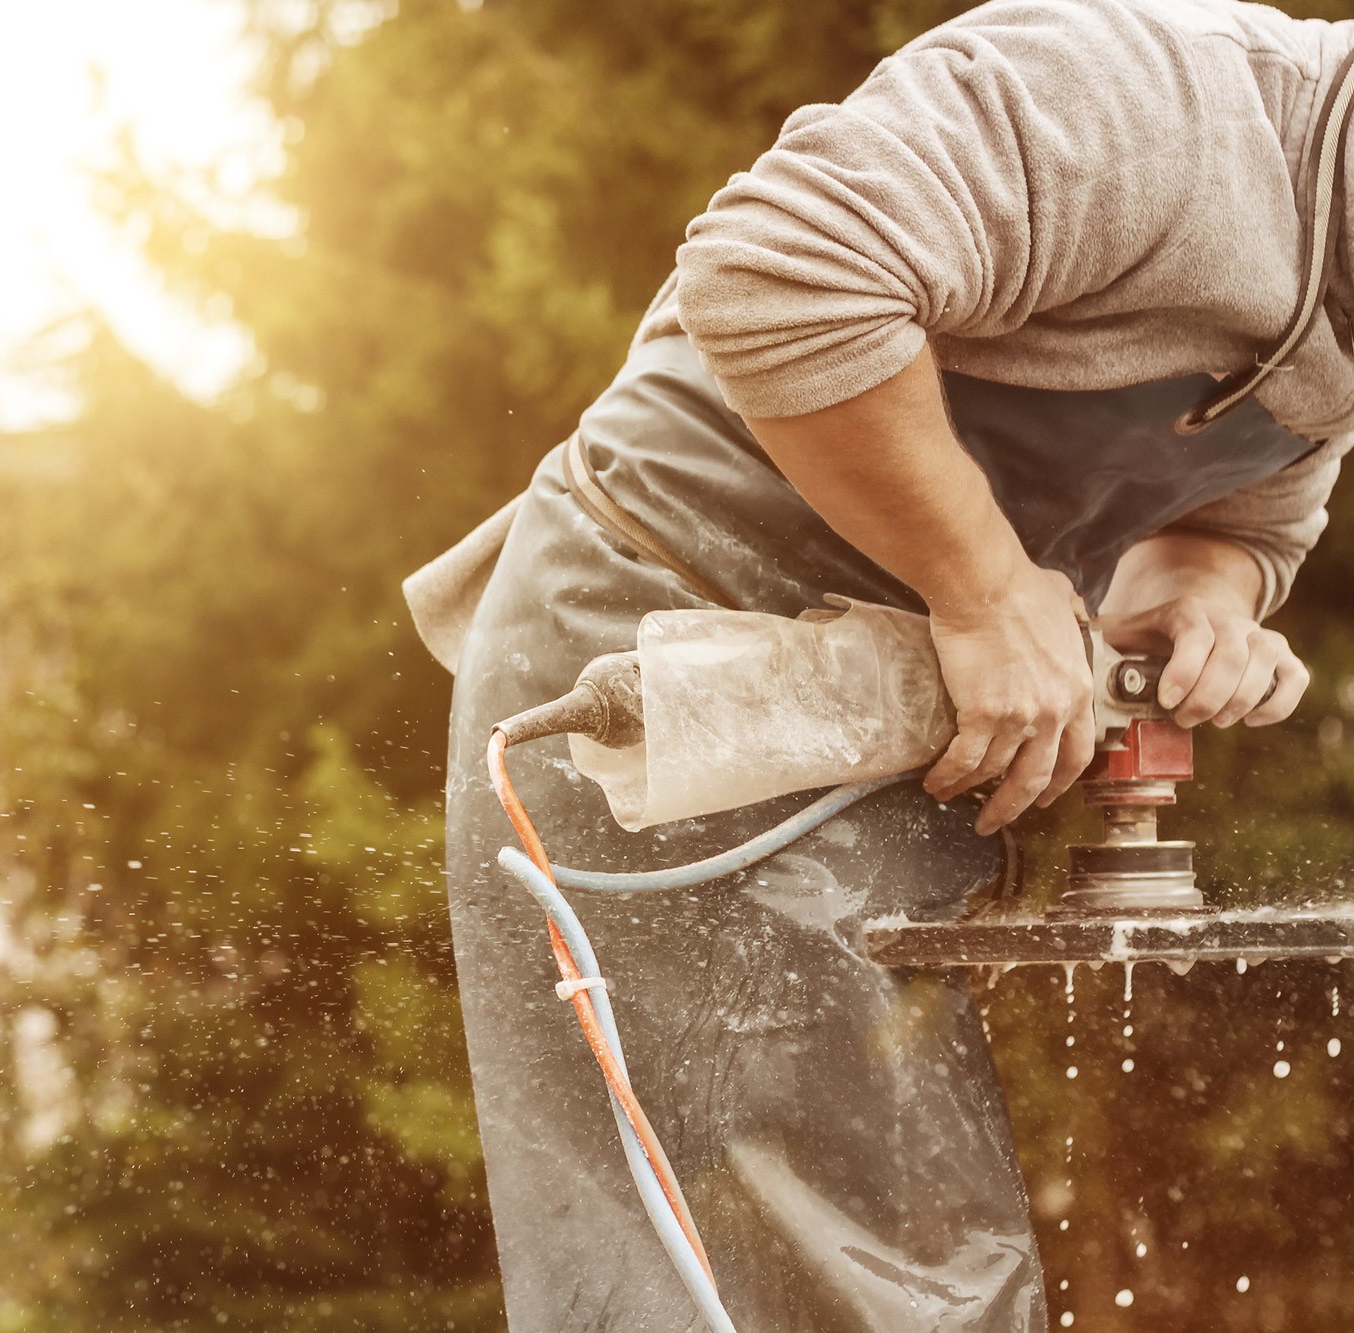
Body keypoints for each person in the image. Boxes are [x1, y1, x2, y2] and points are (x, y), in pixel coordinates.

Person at [404, 1, 1347, 1328]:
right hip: (680, 674)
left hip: (887, 737)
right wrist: (982, 582)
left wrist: (1202, 598)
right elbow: (777, 270)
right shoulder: (1153, 105)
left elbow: (1239, 517)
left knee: (918, 1266)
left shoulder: (1340, 291)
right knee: (819, 1286)